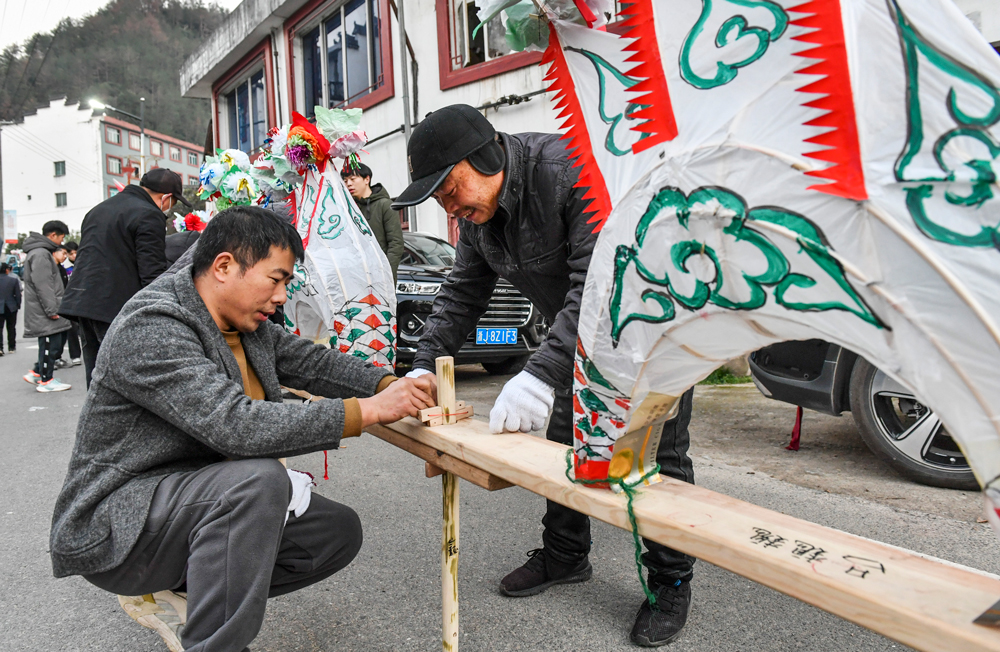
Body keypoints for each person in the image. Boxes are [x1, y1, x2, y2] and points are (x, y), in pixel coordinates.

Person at [49, 206, 436, 652]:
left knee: (333, 531)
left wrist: (390, 385)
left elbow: (312, 362)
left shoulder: (243, 322)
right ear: (224, 266)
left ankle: (188, 595)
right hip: (123, 525)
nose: (282, 296)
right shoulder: (152, 325)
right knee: (257, 482)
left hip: (188, 505)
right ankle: (214, 643)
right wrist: (367, 412)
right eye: (276, 279)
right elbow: (235, 425)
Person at [392, 104, 697, 647]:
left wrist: (539, 373)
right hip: (577, 340)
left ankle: (669, 583)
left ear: (485, 157)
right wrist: (420, 367)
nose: (450, 207)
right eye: (439, 200)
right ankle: (564, 556)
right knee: (561, 447)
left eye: (451, 189)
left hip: (650, 331)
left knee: (654, 462)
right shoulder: (478, 221)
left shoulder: (571, 171)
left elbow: (601, 283)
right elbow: (461, 295)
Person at [60, 168, 191, 388]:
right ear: (166, 197)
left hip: (83, 303)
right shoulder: (149, 214)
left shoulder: (98, 209)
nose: (170, 208)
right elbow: (152, 274)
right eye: (174, 202)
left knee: (96, 376)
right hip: (115, 306)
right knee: (122, 377)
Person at [21, 221, 73, 392]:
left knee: (51, 344)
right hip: (45, 310)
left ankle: (38, 373)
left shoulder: (39, 252)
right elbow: (43, 285)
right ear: (53, 235)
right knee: (51, 345)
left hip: (43, 308)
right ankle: (46, 381)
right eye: (61, 238)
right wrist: (52, 310)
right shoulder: (41, 254)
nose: (61, 242)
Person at [342, 161, 404, 281]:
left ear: (367, 179)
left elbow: (396, 243)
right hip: (356, 277)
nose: (348, 184)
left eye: (353, 179)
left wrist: (386, 274)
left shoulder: (385, 205)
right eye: (345, 181)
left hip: (381, 277)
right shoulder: (349, 209)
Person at [55, 243, 82, 368]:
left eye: (76, 252)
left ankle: (75, 355)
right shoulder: (63, 267)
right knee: (67, 329)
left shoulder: (81, 265)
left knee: (75, 329)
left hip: (80, 299)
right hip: (67, 300)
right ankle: (58, 356)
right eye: (71, 253)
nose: (74, 256)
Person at [0, 262, 21, 355]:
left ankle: (0, 348)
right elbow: (18, 294)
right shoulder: (13, 280)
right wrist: (18, 305)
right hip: (11, 307)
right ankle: (12, 347)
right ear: (7, 270)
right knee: (11, 327)